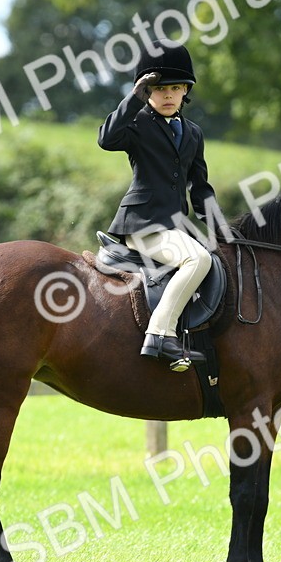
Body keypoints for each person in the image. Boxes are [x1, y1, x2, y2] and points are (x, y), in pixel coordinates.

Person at [98, 39, 216, 371]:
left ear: (185, 91)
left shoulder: (193, 133)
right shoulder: (137, 123)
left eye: (175, 88)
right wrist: (134, 97)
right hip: (143, 224)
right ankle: (160, 334)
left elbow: (200, 187)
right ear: (147, 90)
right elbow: (106, 139)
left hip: (176, 228)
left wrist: (221, 227)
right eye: (160, 88)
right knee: (197, 259)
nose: (168, 95)